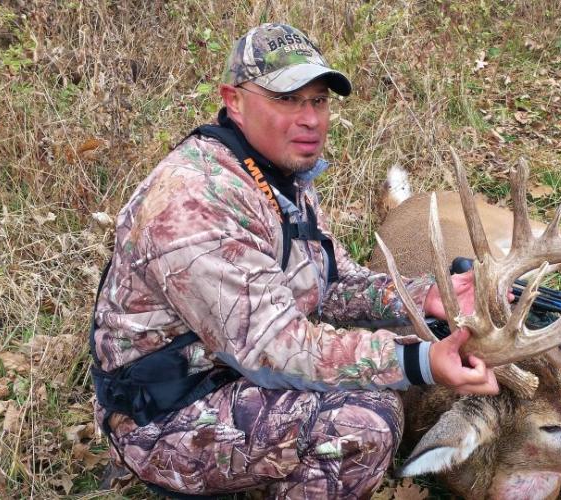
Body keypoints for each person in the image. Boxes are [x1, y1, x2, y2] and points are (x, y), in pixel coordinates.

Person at [89, 23, 498, 498]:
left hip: (231, 373)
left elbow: (333, 284)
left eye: (319, 101)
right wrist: (418, 360)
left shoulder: (278, 180)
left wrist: (427, 295)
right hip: (164, 417)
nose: (310, 119)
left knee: (395, 357)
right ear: (234, 100)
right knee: (363, 423)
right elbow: (275, 348)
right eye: (287, 100)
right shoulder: (196, 199)